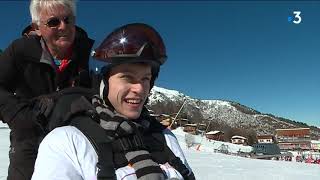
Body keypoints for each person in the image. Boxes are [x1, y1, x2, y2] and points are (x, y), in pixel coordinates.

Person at [32, 23, 195, 180]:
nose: (140, 89)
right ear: (102, 82)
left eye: (145, 79)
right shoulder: (67, 142)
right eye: (127, 77)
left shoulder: (164, 137)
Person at [0, 0, 94, 179]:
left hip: (79, 140)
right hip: (30, 137)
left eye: (68, 19)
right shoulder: (19, 51)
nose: (63, 26)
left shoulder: (90, 53)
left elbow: (107, 91)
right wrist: (18, 115)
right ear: (37, 27)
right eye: (53, 22)